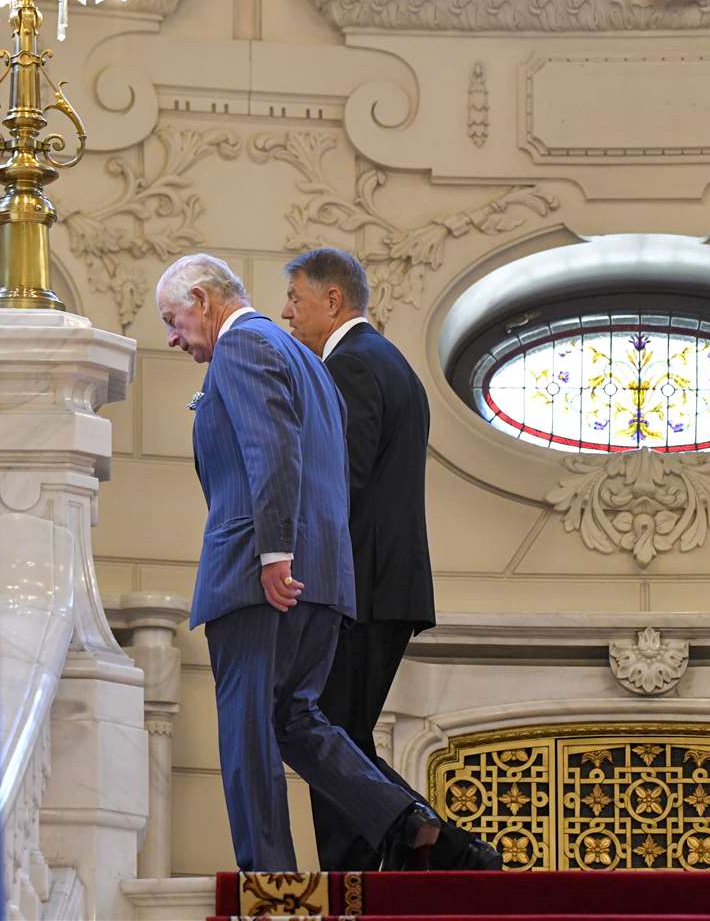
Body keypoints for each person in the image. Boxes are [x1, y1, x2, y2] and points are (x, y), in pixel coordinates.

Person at [155, 252, 443, 873]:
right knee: (295, 719)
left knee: (247, 733)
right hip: (325, 579)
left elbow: (271, 449)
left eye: (174, 320)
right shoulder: (311, 363)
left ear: (204, 301)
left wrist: (273, 554)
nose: (173, 338)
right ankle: (402, 817)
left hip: (262, 577)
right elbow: (331, 471)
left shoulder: (242, 347)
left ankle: (270, 885)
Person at [282, 247, 497, 872]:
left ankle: (361, 878)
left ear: (332, 300)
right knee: (337, 734)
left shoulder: (349, 366)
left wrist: (304, 578)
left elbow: (337, 486)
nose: (287, 312)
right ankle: (438, 849)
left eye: (296, 298)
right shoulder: (386, 362)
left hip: (359, 587)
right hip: (385, 582)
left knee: (326, 733)